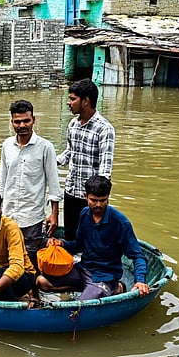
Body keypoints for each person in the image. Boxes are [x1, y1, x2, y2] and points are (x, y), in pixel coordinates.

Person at [39, 175, 148, 301]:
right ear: (86, 196)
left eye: (102, 200)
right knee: (42, 282)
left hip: (105, 276)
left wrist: (140, 281)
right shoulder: (85, 214)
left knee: (82, 305)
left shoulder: (121, 222)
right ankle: (96, 289)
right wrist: (61, 243)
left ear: (108, 197)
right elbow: (78, 245)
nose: (98, 205)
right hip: (84, 269)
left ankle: (114, 287)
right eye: (93, 200)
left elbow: (138, 256)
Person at [0, 99, 61, 269]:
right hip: (8, 213)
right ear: (12, 122)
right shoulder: (7, 145)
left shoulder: (45, 147)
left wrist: (54, 214)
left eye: (26, 120)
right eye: (17, 122)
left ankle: (34, 293)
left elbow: (54, 184)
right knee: (9, 255)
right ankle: (13, 292)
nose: (22, 125)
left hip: (32, 215)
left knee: (31, 257)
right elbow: (2, 181)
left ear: (34, 120)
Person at [57, 79, 115, 240]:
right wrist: (47, 160)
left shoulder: (104, 129)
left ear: (85, 101)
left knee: (92, 237)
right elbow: (69, 152)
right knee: (70, 234)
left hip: (90, 197)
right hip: (71, 190)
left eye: (72, 99)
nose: (68, 103)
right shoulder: (73, 124)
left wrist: (97, 199)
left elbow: (105, 168)